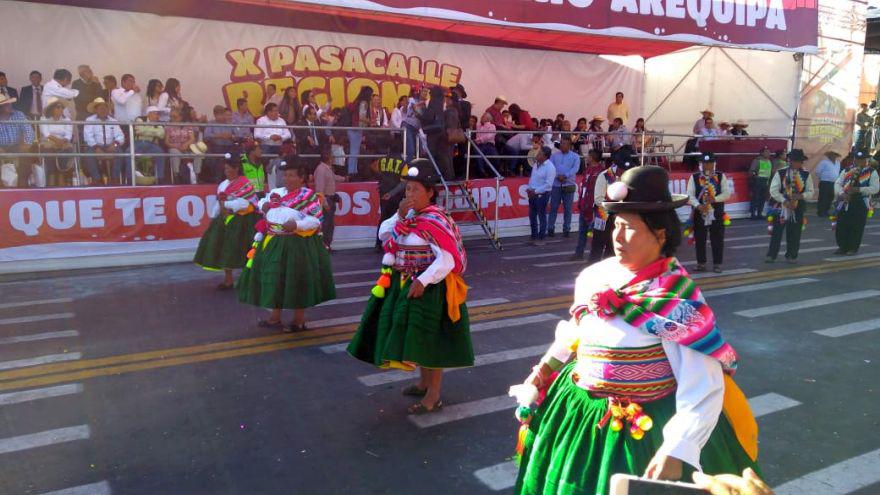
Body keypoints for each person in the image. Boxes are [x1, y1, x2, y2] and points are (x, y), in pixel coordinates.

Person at [512, 165, 759, 494]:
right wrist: (545, 369)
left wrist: (677, 448)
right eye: (615, 225)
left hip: (641, 432)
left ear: (659, 234)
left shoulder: (676, 298)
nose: (616, 236)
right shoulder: (594, 277)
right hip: (579, 417)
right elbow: (577, 331)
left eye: (629, 228)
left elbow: (703, 383)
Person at [347, 161, 472, 414]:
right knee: (416, 338)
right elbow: (383, 235)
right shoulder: (409, 217)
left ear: (430, 192)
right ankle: (424, 383)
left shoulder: (436, 220)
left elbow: (447, 259)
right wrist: (400, 215)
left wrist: (423, 281)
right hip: (405, 283)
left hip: (430, 289)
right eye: (407, 190)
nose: (410, 195)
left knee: (430, 339)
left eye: (415, 190)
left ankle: (434, 394)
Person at [236, 162, 336, 331]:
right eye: (285, 175)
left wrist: (296, 225)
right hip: (273, 241)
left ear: (301, 178)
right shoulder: (277, 193)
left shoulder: (308, 196)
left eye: (291, 175)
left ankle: (298, 320)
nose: (287, 179)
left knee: (296, 280)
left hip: (296, 244)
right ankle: (275, 317)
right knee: (275, 279)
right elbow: (262, 203)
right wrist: (264, 206)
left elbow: (315, 220)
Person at [193, 153, 261, 289]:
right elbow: (219, 202)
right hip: (225, 220)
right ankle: (228, 279)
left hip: (243, 221)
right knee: (225, 249)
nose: (227, 171)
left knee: (244, 249)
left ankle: (248, 278)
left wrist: (228, 206)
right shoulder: (223, 185)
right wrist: (214, 216)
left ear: (236, 169)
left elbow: (245, 203)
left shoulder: (244, 183)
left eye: (229, 169)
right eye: (225, 169)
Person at [765, 149, 815, 263]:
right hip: (780, 207)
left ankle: (792, 255)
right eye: (792, 160)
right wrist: (784, 200)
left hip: (797, 206)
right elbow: (774, 190)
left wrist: (801, 196)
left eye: (797, 161)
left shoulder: (805, 175)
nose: (794, 163)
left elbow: (810, 192)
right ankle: (771, 255)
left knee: (795, 232)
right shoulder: (781, 173)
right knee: (777, 231)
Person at [687, 153, 731, 273]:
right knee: (700, 238)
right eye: (705, 163)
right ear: (701, 164)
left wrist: (715, 199)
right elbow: (690, 195)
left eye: (710, 163)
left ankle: (717, 264)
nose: (708, 166)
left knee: (717, 238)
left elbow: (727, 194)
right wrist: (698, 205)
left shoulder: (721, 176)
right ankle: (701, 263)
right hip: (699, 213)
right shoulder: (694, 177)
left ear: (714, 164)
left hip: (716, 212)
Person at [833, 149, 880, 255]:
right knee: (842, 224)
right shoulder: (847, 170)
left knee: (856, 226)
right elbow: (838, 183)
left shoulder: (871, 172)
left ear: (865, 160)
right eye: (857, 159)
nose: (858, 161)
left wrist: (859, 190)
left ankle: (852, 247)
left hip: (860, 202)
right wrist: (841, 193)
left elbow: (875, 188)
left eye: (861, 159)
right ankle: (842, 246)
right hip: (845, 201)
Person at [589, 159, 625, 264]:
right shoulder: (604, 176)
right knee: (597, 244)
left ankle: (608, 267)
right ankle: (593, 267)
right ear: (617, 167)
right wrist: (613, 207)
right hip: (603, 214)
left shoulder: (626, 177)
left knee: (612, 245)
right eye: (622, 169)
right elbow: (598, 199)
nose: (623, 172)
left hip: (617, 216)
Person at [571, 150, 605, 261]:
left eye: (588, 156)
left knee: (593, 233)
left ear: (592, 157)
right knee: (582, 231)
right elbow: (583, 187)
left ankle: (594, 255)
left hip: (595, 208)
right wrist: (580, 202)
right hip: (584, 205)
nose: (586, 158)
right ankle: (578, 253)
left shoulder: (603, 172)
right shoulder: (587, 170)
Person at [83, 97, 125, 185]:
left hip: (111, 146)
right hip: (96, 146)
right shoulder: (89, 120)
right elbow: (88, 137)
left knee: (120, 152)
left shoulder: (113, 121)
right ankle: (96, 179)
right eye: (100, 108)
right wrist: (96, 148)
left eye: (105, 108)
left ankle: (115, 179)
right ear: (95, 110)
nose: (103, 110)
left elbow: (120, 136)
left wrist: (115, 144)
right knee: (89, 154)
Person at [372, 153, 408, 252]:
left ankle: (378, 244)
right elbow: (404, 182)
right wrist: (392, 193)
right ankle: (393, 244)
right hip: (396, 195)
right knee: (396, 219)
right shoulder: (403, 164)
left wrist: (382, 178)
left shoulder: (382, 160)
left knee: (383, 218)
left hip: (383, 193)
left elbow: (373, 167)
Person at [313, 146, 347, 249]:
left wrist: (344, 179)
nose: (333, 158)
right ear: (328, 157)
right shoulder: (321, 170)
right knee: (326, 224)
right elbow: (319, 189)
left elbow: (333, 177)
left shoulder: (326, 169)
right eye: (332, 156)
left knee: (329, 224)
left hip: (330, 198)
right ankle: (324, 246)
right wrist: (324, 203)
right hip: (326, 199)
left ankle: (327, 245)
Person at [547, 136, 579, 238]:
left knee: (568, 209)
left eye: (564, 143)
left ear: (569, 145)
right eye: (561, 143)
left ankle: (566, 229)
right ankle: (550, 228)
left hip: (568, 184)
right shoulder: (554, 156)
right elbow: (550, 168)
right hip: (556, 185)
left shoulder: (575, 156)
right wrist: (557, 176)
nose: (562, 145)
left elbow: (575, 168)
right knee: (553, 207)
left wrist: (565, 175)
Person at [418, 86, 453, 179]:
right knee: (442, 155)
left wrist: (421, 112)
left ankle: (432, 175)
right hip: (441, 130)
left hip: (433, 132)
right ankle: (448, 175)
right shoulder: (442, 101)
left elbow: (429, 116)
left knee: (431, 155)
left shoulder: (432, 101)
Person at [254, 102, 292, 187]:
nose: (277, 113)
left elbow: (288, 134)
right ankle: (267, 179)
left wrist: (280, 137)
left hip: (280, 145)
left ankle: (281, 179)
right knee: (265, 154)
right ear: (268, 112)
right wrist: (270, 137)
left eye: (277, 111)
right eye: (275, 111)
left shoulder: (281, 120)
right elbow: (256, 135)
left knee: (286, 156)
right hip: (266, 145)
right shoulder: (261, 120)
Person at [39, 99, 75, 187]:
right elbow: (46, 133)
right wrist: (57, 141)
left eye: (62, 107)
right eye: (57, 107)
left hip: (63, 142)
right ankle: (51, 176)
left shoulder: (67, 120)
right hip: (49, 141)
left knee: (67, 150)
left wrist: (62, 141)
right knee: (49, 150)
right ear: (51, 109)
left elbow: (68, 135)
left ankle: (61, 175)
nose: (60, 109)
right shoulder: (43, 119)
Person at [526, 146, 556, 246]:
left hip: (542, 195)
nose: (537, 155)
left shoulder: (550, 167)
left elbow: (548, 185)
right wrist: (529, 188)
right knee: (532, 216)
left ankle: (541, 237)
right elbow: (532, 178)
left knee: (541, 216)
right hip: (533, 193)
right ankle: (533, 236)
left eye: (540, 154)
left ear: (545, 156)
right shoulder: (535, 164)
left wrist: (536, 191)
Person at [131, 106, 167, 184]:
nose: (158, 116)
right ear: (149, 114)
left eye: (158, 114)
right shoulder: (140, 119)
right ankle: (129, 178)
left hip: (151, 145)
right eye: (156, 114)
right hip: (138, 143)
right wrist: (154, 131)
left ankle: (160, 178)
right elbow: (138, 130)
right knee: (128, 153)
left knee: (160, 153)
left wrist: (145, 130)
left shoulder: (159, 124)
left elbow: (161, 134)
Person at [164, 107, 197, 184]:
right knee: (174, 152)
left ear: (181, 117)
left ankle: (196, 175)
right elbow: (166, 142)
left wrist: (186, 144)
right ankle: (176, 175)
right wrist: (177, 147)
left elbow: (192, 139)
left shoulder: (187, 125)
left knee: (199, 154)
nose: (172, 119)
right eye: (171, 117)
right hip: (174, 146)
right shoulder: (169, 126)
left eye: (174, 117)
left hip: (187, 146)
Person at [204, 106, 236, 183]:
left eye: (223, 114)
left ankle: (233, 180)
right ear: (215, 115)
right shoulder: (211, 123)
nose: (223, 116)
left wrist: (231, 136)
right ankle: (218, 180)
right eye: (220, 115)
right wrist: (219, 135)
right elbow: (206, 136)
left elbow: (237, 136)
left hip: (230, 146)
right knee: (219, 160)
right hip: (216, 147)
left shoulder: (230, 124)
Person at [347, 86, 373, 177]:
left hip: (352, 128)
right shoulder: (364, 103)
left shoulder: (357, 102)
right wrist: (370, 121)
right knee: (354, 152)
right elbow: (361, 118)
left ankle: (353, 170)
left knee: (354, 151)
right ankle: (352, 172)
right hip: (356, 129)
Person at [401, 85, 428, 164]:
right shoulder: (412, 100)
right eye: (424, 91)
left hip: (416, 128)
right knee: (410, 150)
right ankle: (406, 170)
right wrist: (423, 103)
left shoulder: (427, 102)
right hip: (408, 126)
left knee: (419, 150)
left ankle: (416, 169)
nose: (425, 93)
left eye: (427, 92)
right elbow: (416, 110)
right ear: (420, 91)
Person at [747, 147, 774, 219]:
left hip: (766, 182)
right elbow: (751, 171)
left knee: (762, 198)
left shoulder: (769, 161)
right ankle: (753, 214)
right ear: (762, 153)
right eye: (766, 152)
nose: (769, 153)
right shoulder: (757, 161)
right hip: (757, 181)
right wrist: (755, 176)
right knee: (755, 198)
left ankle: (759, 213)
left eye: (769, 152)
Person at [814, 150, 842, 218]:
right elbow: (817, 171)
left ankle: (826, 211)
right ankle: (821, 212)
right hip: (825, 182)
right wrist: (822, 177)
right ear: (829, 155)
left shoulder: (838, 163)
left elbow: (837, 172)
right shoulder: (824, 162)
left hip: (834, 183)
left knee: (830, 197)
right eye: (831, 154)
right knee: (823, 197)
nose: (832, 156)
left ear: (836, 156)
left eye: (834, 154)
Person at [474, 112, 498, 177]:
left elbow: (490, 136)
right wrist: (479, 140)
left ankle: (493, 173)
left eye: (483, 116)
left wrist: (480, 139)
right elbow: (477, 135)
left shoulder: (492, 126)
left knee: (495, 157)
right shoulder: (478, 126)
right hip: (480, 145)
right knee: (478, 155)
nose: (481, 117)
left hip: (489, 144)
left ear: (488, 119)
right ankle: (481, 172)